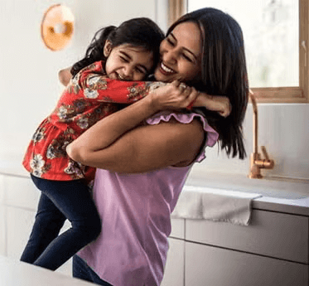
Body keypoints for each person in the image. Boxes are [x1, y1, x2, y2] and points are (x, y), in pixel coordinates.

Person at [20, 17, 229, 271]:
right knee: (85, 226)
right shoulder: (96, 81)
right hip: (55, 161)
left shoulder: (103, 78)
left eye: (140, 69)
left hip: (58, 163)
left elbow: (141, 90)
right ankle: (31, 278)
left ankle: (24, 274)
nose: (129, 72)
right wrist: (206, 100)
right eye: (124, 58)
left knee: (47, 224)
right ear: (108, 49)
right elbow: (146, 92)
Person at [65, 8, 248, 286]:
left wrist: (153, 102)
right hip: (89, 250)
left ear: (206, 69)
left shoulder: (185, 129)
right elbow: (67, 76)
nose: (168, 57)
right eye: (170, 41)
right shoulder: (148, 90)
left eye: (186, 56)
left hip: (123, 266)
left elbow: (81, 150)